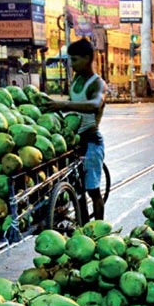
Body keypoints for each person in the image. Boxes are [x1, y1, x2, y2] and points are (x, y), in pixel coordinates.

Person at [43, 38, 106, 223]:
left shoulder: (97, 83)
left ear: (88, 58)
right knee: (78, 193)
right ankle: (83, 226)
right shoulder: (77, 80)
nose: (71, 64)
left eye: (75, 59)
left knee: (93, 190)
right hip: (74, 142)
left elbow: (95, 104)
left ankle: (100, 229)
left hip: (91, 141)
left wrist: (64, 104)